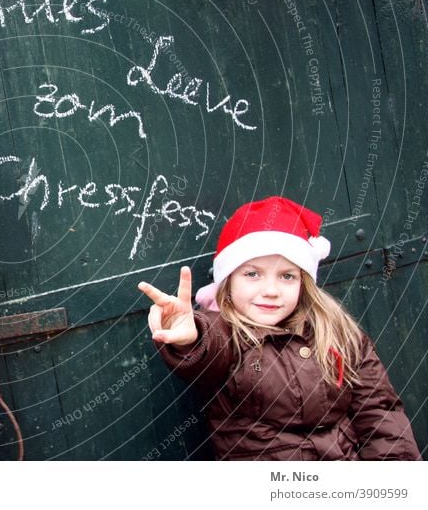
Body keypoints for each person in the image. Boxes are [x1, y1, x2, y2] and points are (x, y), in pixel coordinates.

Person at [138, 196, 421, 460]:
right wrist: (190, 339)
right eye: (252, 274)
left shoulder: (337, 331)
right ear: (228, 282)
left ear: (303, 282)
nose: (271, 290)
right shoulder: (227, 334)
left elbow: (380, 412)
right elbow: (208, 347)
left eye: (287, 276)